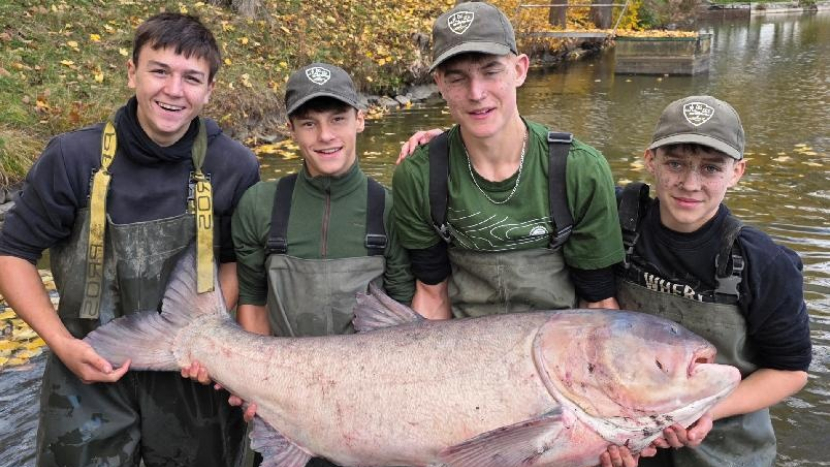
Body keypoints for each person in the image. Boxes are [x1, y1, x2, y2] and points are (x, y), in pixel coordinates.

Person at [0, 13, 259, 467]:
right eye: (160, 71)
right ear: (132, 72)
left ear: (210, 89)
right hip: (86, 373)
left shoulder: (236, 166)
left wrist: (205, 337)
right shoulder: (72, 158)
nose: (174, 90)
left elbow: (237, 262)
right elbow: (12, 254)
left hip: (190, 378)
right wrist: (61, 345)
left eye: (191, 78)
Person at [228, 62, 415, 466]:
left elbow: (405, 326)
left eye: (338, 119)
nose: (326, 136)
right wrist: (257, 389)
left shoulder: (392, 208)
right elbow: (253, 304)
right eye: (309, 124)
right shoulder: (260, 205)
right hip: (285, 404)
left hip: (373, 406)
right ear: (291, 129)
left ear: (361, 120)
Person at [613, 95, 811, 467]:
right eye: (675, 163)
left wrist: (704, 411)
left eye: (710, 168)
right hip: (627, 437)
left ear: (737, 172)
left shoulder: (765, 263)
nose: (690, 183)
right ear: (650, 160)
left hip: (724, 446)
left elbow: (790, 371)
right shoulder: (612, 222)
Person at [392, 1, 623, 320]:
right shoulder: (418, 176)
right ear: (440, 85)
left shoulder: (581, 170)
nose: (476, 93)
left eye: (491, 72)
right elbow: (432, 294)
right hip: (465, 350)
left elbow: (598, 302)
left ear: (519, 70)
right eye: (457, 79)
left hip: (553, 354)